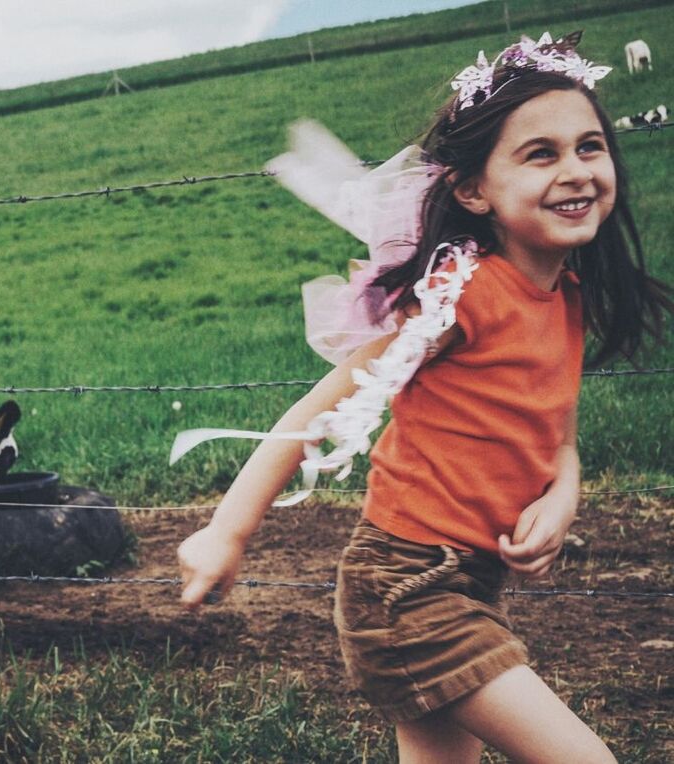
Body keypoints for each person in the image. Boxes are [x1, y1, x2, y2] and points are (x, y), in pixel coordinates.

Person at [174, 32, 671, 763]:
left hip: (472, 584)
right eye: (541, 154)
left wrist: (564, 491)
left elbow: (556, 428)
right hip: (407, 591)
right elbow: (320, 407)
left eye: (589, 147)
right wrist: (228, 533)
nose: (575, 171)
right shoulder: (460, 299)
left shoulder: (566, 291)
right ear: (473, 190)